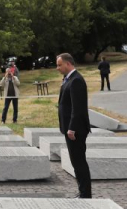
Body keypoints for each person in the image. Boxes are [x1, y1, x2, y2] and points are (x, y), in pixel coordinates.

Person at [56, 53, 91, 199]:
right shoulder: (69, 79)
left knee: (79, 162)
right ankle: (83, 192)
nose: (57, 68)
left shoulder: (76, 80)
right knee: (76, 162)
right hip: (70, 128)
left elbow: (78, 108)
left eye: (59, 65)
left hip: (75, 130)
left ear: (68, 64)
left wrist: (72, 128)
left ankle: (85, 194)